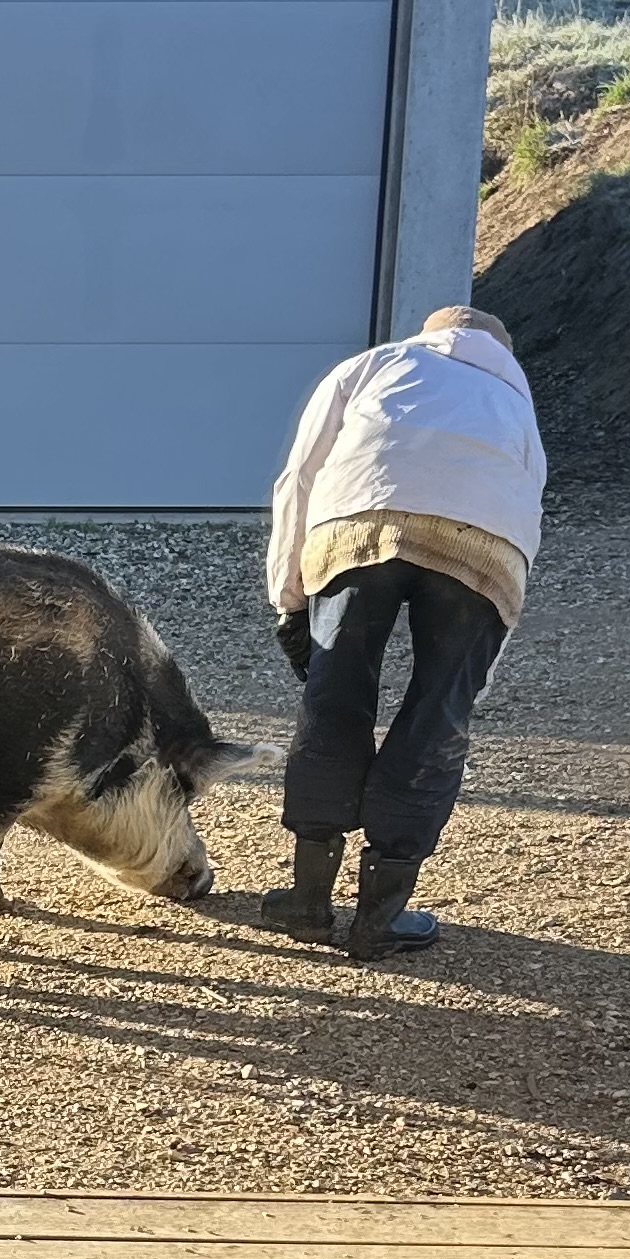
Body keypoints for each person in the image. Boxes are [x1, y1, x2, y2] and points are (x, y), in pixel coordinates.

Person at [261, 304, 545, 962]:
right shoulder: (514, 399)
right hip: (482, 549)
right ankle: (378, 918)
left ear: (427, 331)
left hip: (358, 522)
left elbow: (298, 478)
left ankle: (306, 902)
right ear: (500, 348)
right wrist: (474, 672)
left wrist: (290, 600)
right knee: (433, 715)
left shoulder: (373, 364)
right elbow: (525, 513)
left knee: (334, 699)